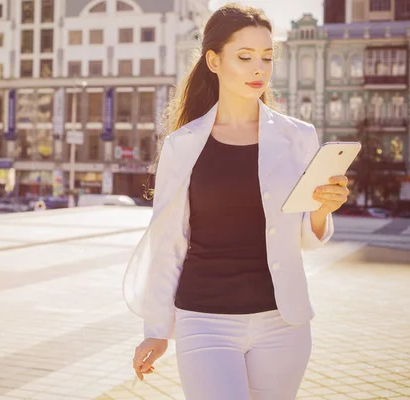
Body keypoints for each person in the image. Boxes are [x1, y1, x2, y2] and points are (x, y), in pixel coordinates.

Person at [123, 4, 350, 399]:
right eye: (244, 57)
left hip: (283, 322)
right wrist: (157, 330)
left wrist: (321, 210)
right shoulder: (183, 144)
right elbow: (168, 243)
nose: (258, 68)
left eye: (266, 57)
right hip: (205, 319)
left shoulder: (299, 137)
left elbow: (305, 237)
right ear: (214, 60)